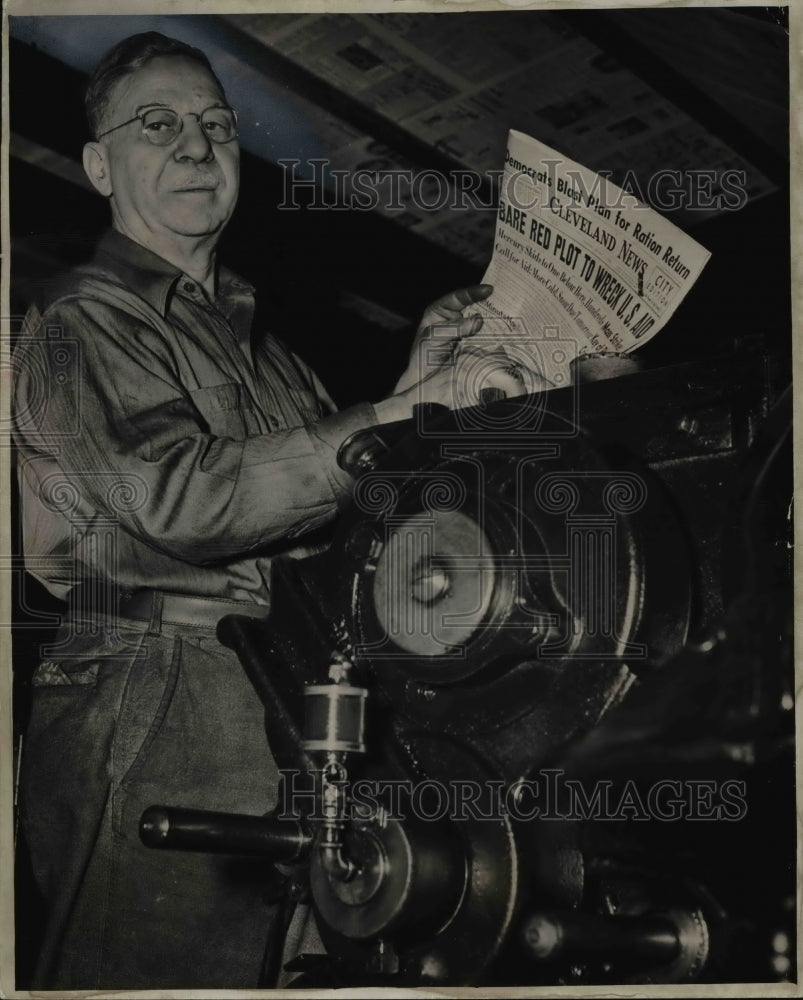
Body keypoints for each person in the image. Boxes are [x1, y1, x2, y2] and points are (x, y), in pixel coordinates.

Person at [11, 31, 514, 990]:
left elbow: (330, 512)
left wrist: (420, 376)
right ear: (98, 164)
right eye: (159, 126)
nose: (199, 149)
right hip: (155, 696)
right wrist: (389, 413)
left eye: (216, 127)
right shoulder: (84, 316)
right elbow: (182, 495)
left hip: (275, 692)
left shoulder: (265, 346)